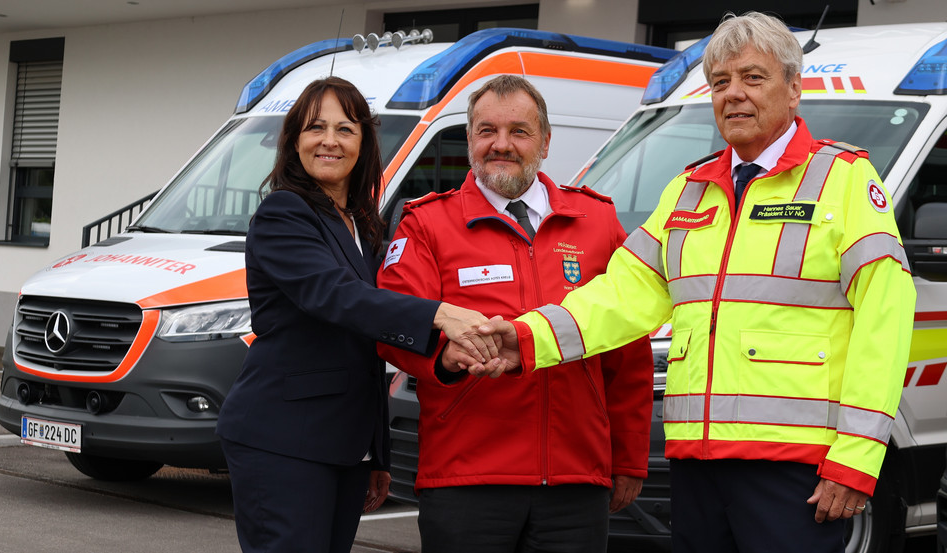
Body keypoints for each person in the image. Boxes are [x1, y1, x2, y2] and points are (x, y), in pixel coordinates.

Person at [478, 12, 917, 553]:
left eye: (752, 78)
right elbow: (619, 296)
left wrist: (857, 455)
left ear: (795, 88)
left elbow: (886, 318)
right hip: (696, 463)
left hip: (796, 469)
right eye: (720, 82)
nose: (733, 95)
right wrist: (524, 338)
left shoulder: (844, 181)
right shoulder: (687, 191)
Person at [215, 76, 497, 553]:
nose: (329, 141)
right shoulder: (283, 214)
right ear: (294, 141)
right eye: (315, 128)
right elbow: (336, 296)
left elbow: (367, 348)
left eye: (345, 129)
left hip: (343, 445)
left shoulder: (362, 223)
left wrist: (375, 453)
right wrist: (441, 314)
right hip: (283, 440)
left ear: (364, 142)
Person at [376, 75, 654, 553]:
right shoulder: (427, 223)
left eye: (519, 132)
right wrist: (445, 357)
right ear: (469, 141)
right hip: (467, 476)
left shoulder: (596, 221)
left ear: (545, 142)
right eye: (486, 131)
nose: (500, 145)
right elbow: (393, 324)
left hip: (574, 479)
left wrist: (628, 457)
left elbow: (628, 349)